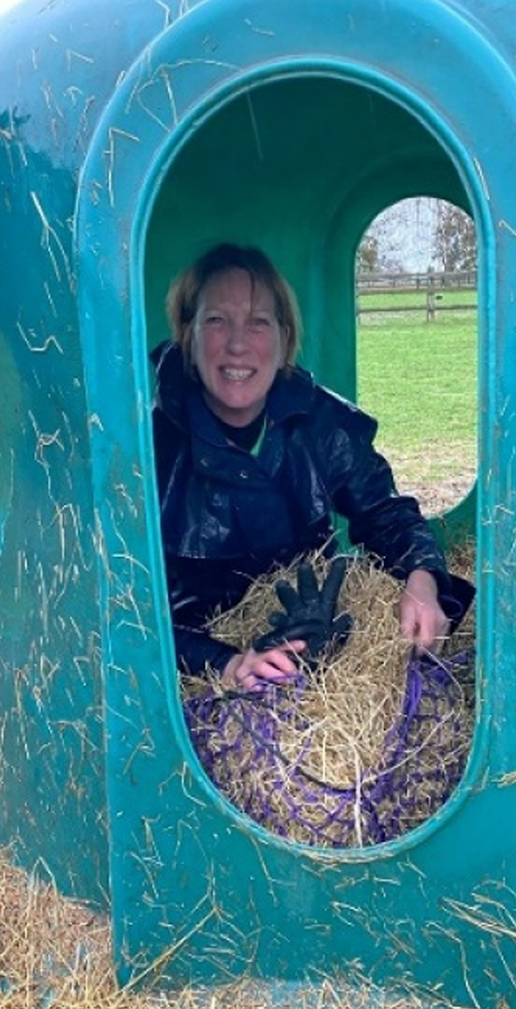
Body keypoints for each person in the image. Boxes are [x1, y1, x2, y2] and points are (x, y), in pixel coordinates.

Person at [152, 243, 474, 693]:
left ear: (284, 337)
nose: (238, 344)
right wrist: (224, 663)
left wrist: (423, 578)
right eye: (217, 320)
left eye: (258, 322)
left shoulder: (320, 422)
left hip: (311, 628)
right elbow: (130, 603)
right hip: (194, 661)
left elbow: (385, 512)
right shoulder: (144, 440)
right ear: (189, 333)